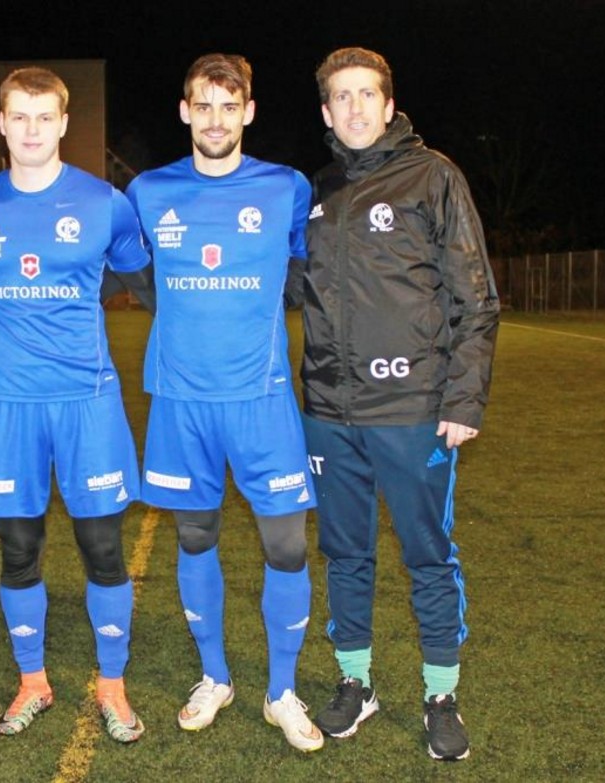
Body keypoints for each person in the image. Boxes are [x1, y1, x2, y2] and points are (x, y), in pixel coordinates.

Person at [298, 47, 499, 762]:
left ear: (388, 105)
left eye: (366, 94)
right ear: (327, 112)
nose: (354, 107)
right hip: (329, 409)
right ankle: (356, 682)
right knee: (344, 552)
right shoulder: (318, 191)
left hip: (413, 407)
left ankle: (441, 694)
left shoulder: (433, 176)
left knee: (427, 553)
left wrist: (464, 397)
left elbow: (476, 298)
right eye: (341, 96)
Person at [126, 54, 322, 752]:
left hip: (263, 399)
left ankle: (281, 691)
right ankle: (215, 676)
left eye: (228, 107)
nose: (215, 120)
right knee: (194, 536)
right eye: (203, 106)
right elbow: (135, 269)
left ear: (249, 112)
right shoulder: (148, 191)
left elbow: (302, 265)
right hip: (182, 400)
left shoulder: (286, 187)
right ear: (185, 111)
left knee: (287, 543)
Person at [0, 67, 154, 742]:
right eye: (20, 116)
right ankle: (32, 680)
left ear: (64, 123)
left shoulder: (105, 203)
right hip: (9, 403)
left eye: (45, 117)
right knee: (18, 548)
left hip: (87, 401)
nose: (32, 130)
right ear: (2, 123)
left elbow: (146, 282)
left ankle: (112, 684)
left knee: (103, 547)